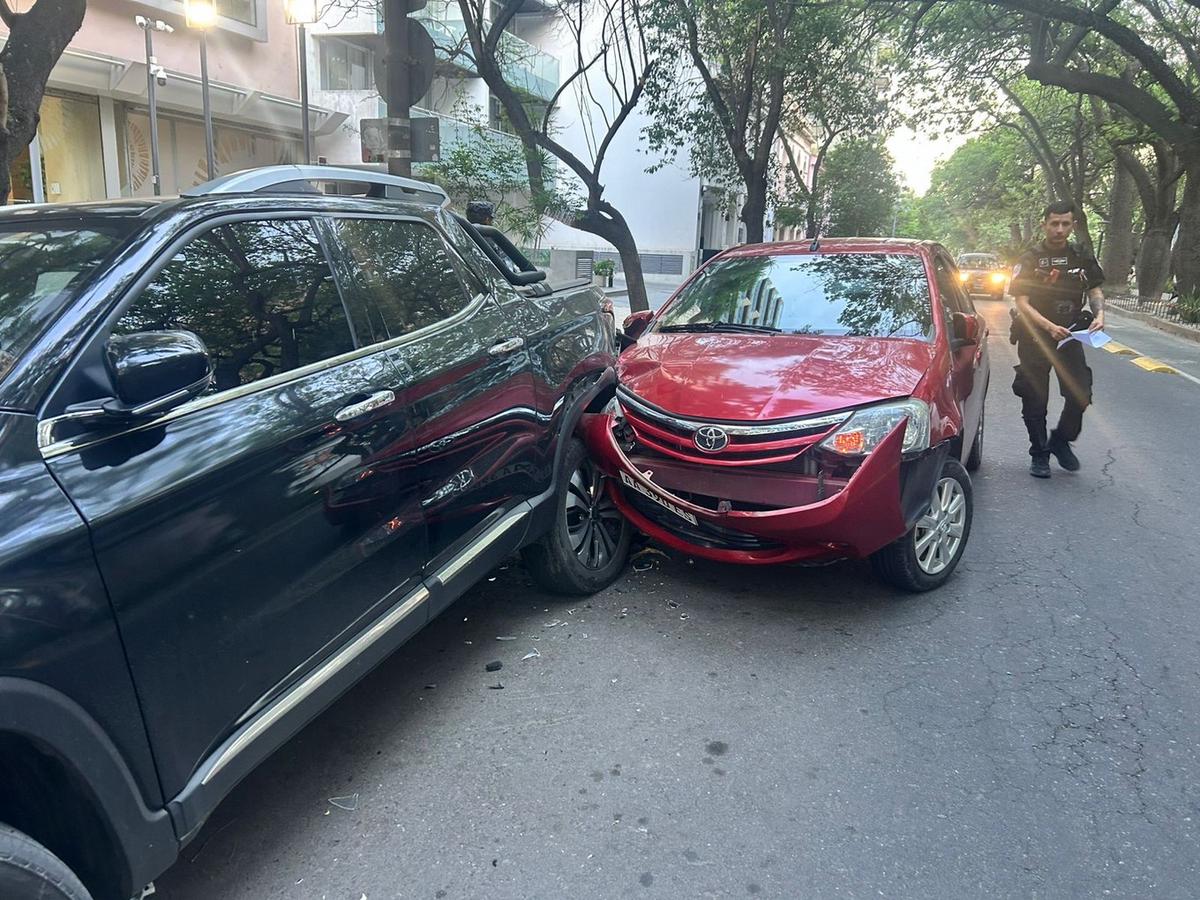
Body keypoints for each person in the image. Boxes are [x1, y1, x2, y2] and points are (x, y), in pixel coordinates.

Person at [1010, 201, 1106, 479]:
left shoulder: (1080, 255)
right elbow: (1022, 302)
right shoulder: (1030, 258)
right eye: (1054, 223)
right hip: (1035, 336)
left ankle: (1061, 440)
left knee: (1081, 393)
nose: (1060, 229)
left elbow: (1095, 289)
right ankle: (1039, 453)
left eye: (1065, 224)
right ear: (1045, 225)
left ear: (1073, 225)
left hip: (1070, 335)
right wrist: (1048, 326)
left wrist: (1100, 314)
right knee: (1034, 397)